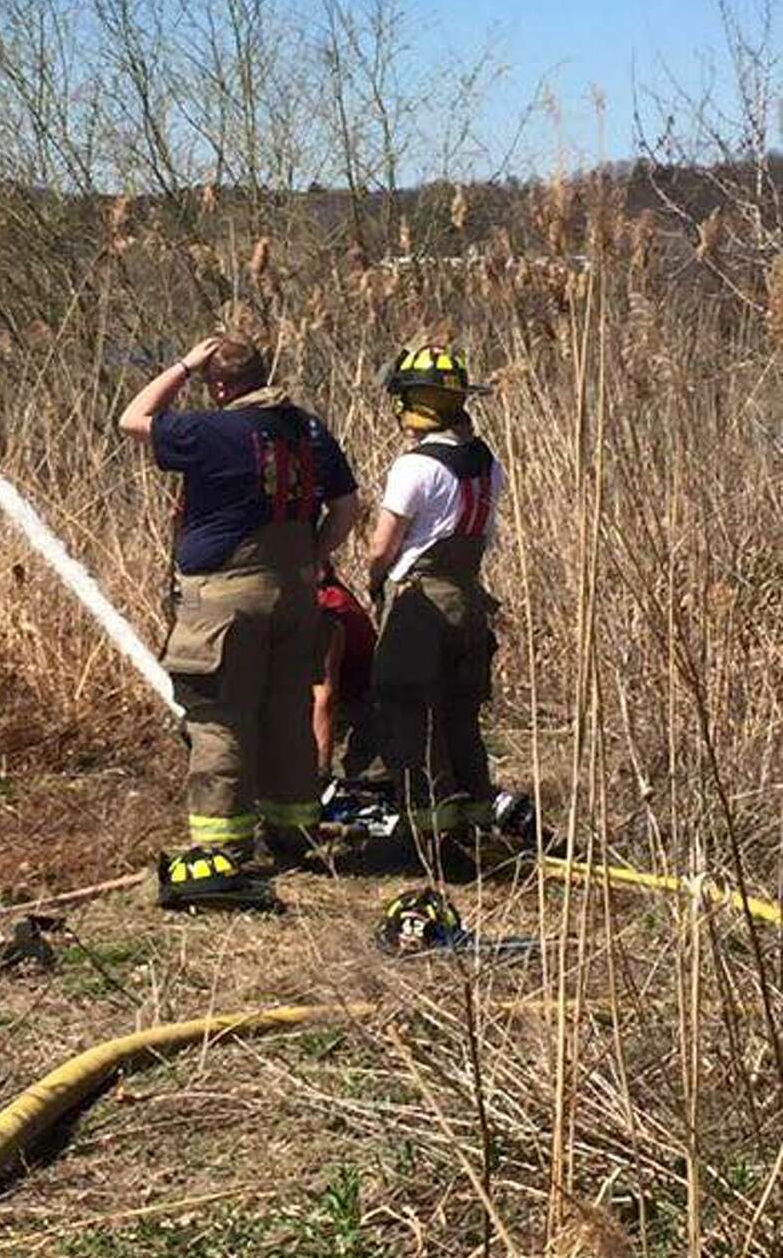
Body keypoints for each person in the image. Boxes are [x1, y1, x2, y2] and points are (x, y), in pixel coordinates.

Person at [119, 335, 361, 878]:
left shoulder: (212, 430)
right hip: (295, 596)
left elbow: (133, 419)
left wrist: (184, 365)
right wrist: (312, 559)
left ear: (221, 385)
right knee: (286, 716)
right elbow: (347, 506)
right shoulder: (308, 429)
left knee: (219, 718)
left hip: (223, 603)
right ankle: (294, 834)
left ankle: (222, 848)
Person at [366, 344, 514, 827]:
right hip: (470, 601)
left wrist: (374, 581)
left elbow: (381, 547)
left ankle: (427, 832)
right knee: (460, 713)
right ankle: (475, 818)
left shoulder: (414, 467)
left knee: (408, 710)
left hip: (420, 605)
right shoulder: (487, 463)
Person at [313, 566, 378, 781]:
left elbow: (325, 697)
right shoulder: (330, 595)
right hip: (352, 703)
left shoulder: (329, 607)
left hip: (366, 716)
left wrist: (320, 774)